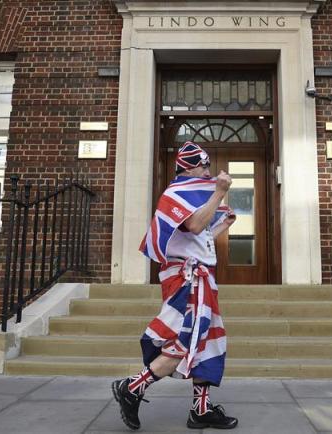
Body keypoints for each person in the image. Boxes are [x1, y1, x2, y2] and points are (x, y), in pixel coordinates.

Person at [111, 141, 239, 430]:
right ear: (191, 166)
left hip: (200, 278)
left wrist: (222, 226)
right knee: (186, 342)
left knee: (207, 343)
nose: (208, 171)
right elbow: (193, 226)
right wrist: (219, 192)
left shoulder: (191, 196)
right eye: (205, 165)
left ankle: (201, 410)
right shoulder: (175, 194)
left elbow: (198, 236)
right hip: (189, 281)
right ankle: (131, 388)